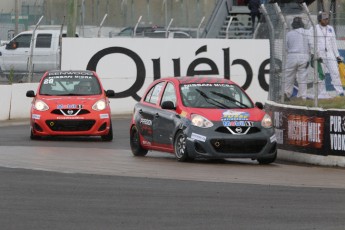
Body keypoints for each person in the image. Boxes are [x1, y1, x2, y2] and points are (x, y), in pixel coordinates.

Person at [311, 12, 344, 97]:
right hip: (320, 54)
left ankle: (339, 92)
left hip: (330, 53)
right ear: (320, 20)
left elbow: (334, 43)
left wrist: (337, 56)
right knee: (321, 74)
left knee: (335, 72)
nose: (326, 20)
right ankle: (322, 93)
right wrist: (316, 54)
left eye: (327, 19)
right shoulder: (314, 28)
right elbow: (312, 43)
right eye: (324, 19)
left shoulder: (330, 28)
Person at [284, 17, 312, 101]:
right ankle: (302, 96)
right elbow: (311, 45)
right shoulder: (307, 33)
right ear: (301, 24)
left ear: (293, 25)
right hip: (304, 55)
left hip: (291, 56)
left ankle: (287, 93)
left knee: (289, 77)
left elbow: (286, 47)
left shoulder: (289, 34)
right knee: (303, 78)